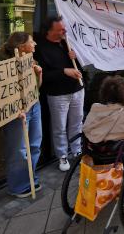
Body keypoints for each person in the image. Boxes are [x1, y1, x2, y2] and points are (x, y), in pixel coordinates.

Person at [35, 16, 84, 172]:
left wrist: (76, 58)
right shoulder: (41, 48)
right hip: (57, 94)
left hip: (77, 90)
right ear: (49, 31)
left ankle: (76, 150)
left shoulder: (67, 43)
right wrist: (64, 71)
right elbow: (44, 76)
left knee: (77, 123)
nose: (64, 31)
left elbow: (81, 69)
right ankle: (62, 155)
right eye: (60, 29)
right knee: (60, 127)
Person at [1, 32, 43, 198]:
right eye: (31, 42)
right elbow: (1, 94)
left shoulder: (31, 61)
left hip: (34, 106)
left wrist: (39, 75)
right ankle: (18, 186)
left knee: (34, 145)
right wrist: (15, 110)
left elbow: (36, 88)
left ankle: (30, 180)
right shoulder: (5, 66)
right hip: (17, 113)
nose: (34, 44)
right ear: (21, 47)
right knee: (19, 150)